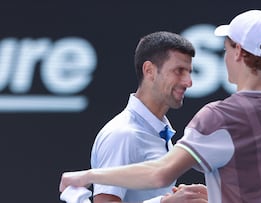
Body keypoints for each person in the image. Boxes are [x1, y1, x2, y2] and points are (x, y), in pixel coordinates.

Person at [60, 10, 261, 203]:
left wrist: (88, 176)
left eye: (225, 49)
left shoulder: (220, 117)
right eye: (179, 71)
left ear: (239, 53)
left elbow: (159, 174)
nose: (188, 81)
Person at [87, 31, 207, 203]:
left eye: (189, 72)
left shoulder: (159, 132)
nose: (188, 82)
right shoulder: (123, 134)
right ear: (149, 70)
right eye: (179, 71)